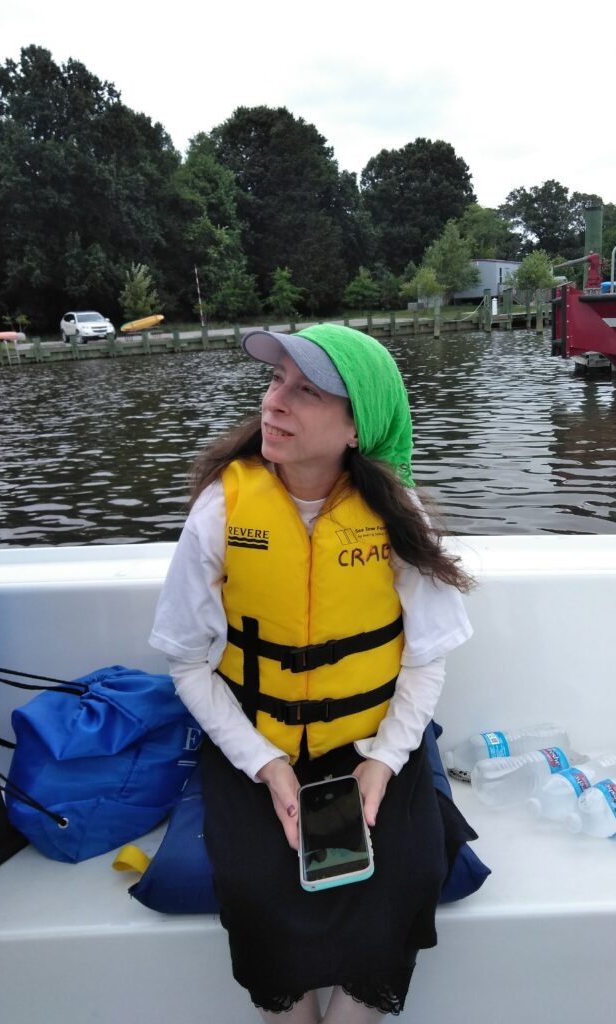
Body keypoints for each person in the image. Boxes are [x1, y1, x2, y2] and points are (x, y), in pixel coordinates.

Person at [149, 323, 477, 1023]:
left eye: (306, 391)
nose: (275, 403)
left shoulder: (397, 518)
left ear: (359, 427)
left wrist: (384, 763)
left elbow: (424, 661)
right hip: (256, 743)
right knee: (257, 885)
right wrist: (265, 765)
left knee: (412, 872)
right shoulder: (221, 510)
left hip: (367, 746)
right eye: (275, 382)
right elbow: (185, 658)